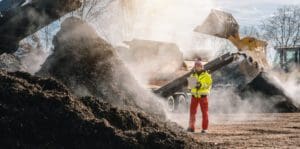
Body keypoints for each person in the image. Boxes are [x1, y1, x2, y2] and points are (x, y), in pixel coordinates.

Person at [187, 59, 213, 133]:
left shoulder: (207, 75)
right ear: (195, 67)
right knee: (192, 113)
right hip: (194, 97)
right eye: (196, 66)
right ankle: (191, 127)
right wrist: (192, 86)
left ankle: (204, 129)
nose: (198, 67)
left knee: (204, 113)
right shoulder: (192, 75)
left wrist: (201, 85)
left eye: (199, 66)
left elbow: (209, 85)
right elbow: (191, 86)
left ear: (202, 67)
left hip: (203, 96)